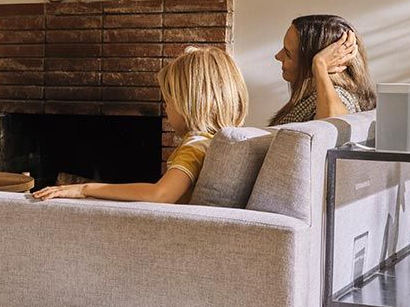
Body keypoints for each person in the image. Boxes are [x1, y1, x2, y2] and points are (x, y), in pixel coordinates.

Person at [32, 45, 248, 204]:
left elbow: (160, 195)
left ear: (189, 103)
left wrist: (85, 189)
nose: (165, 109)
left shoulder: (195, 145)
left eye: (168, 102)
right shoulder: (212, 141)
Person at [268, 14, 377, 125]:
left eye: (288, 53)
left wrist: (319, 64)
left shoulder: (338, 96)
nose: (278, 56)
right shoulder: (310, 98)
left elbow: (332, 127)